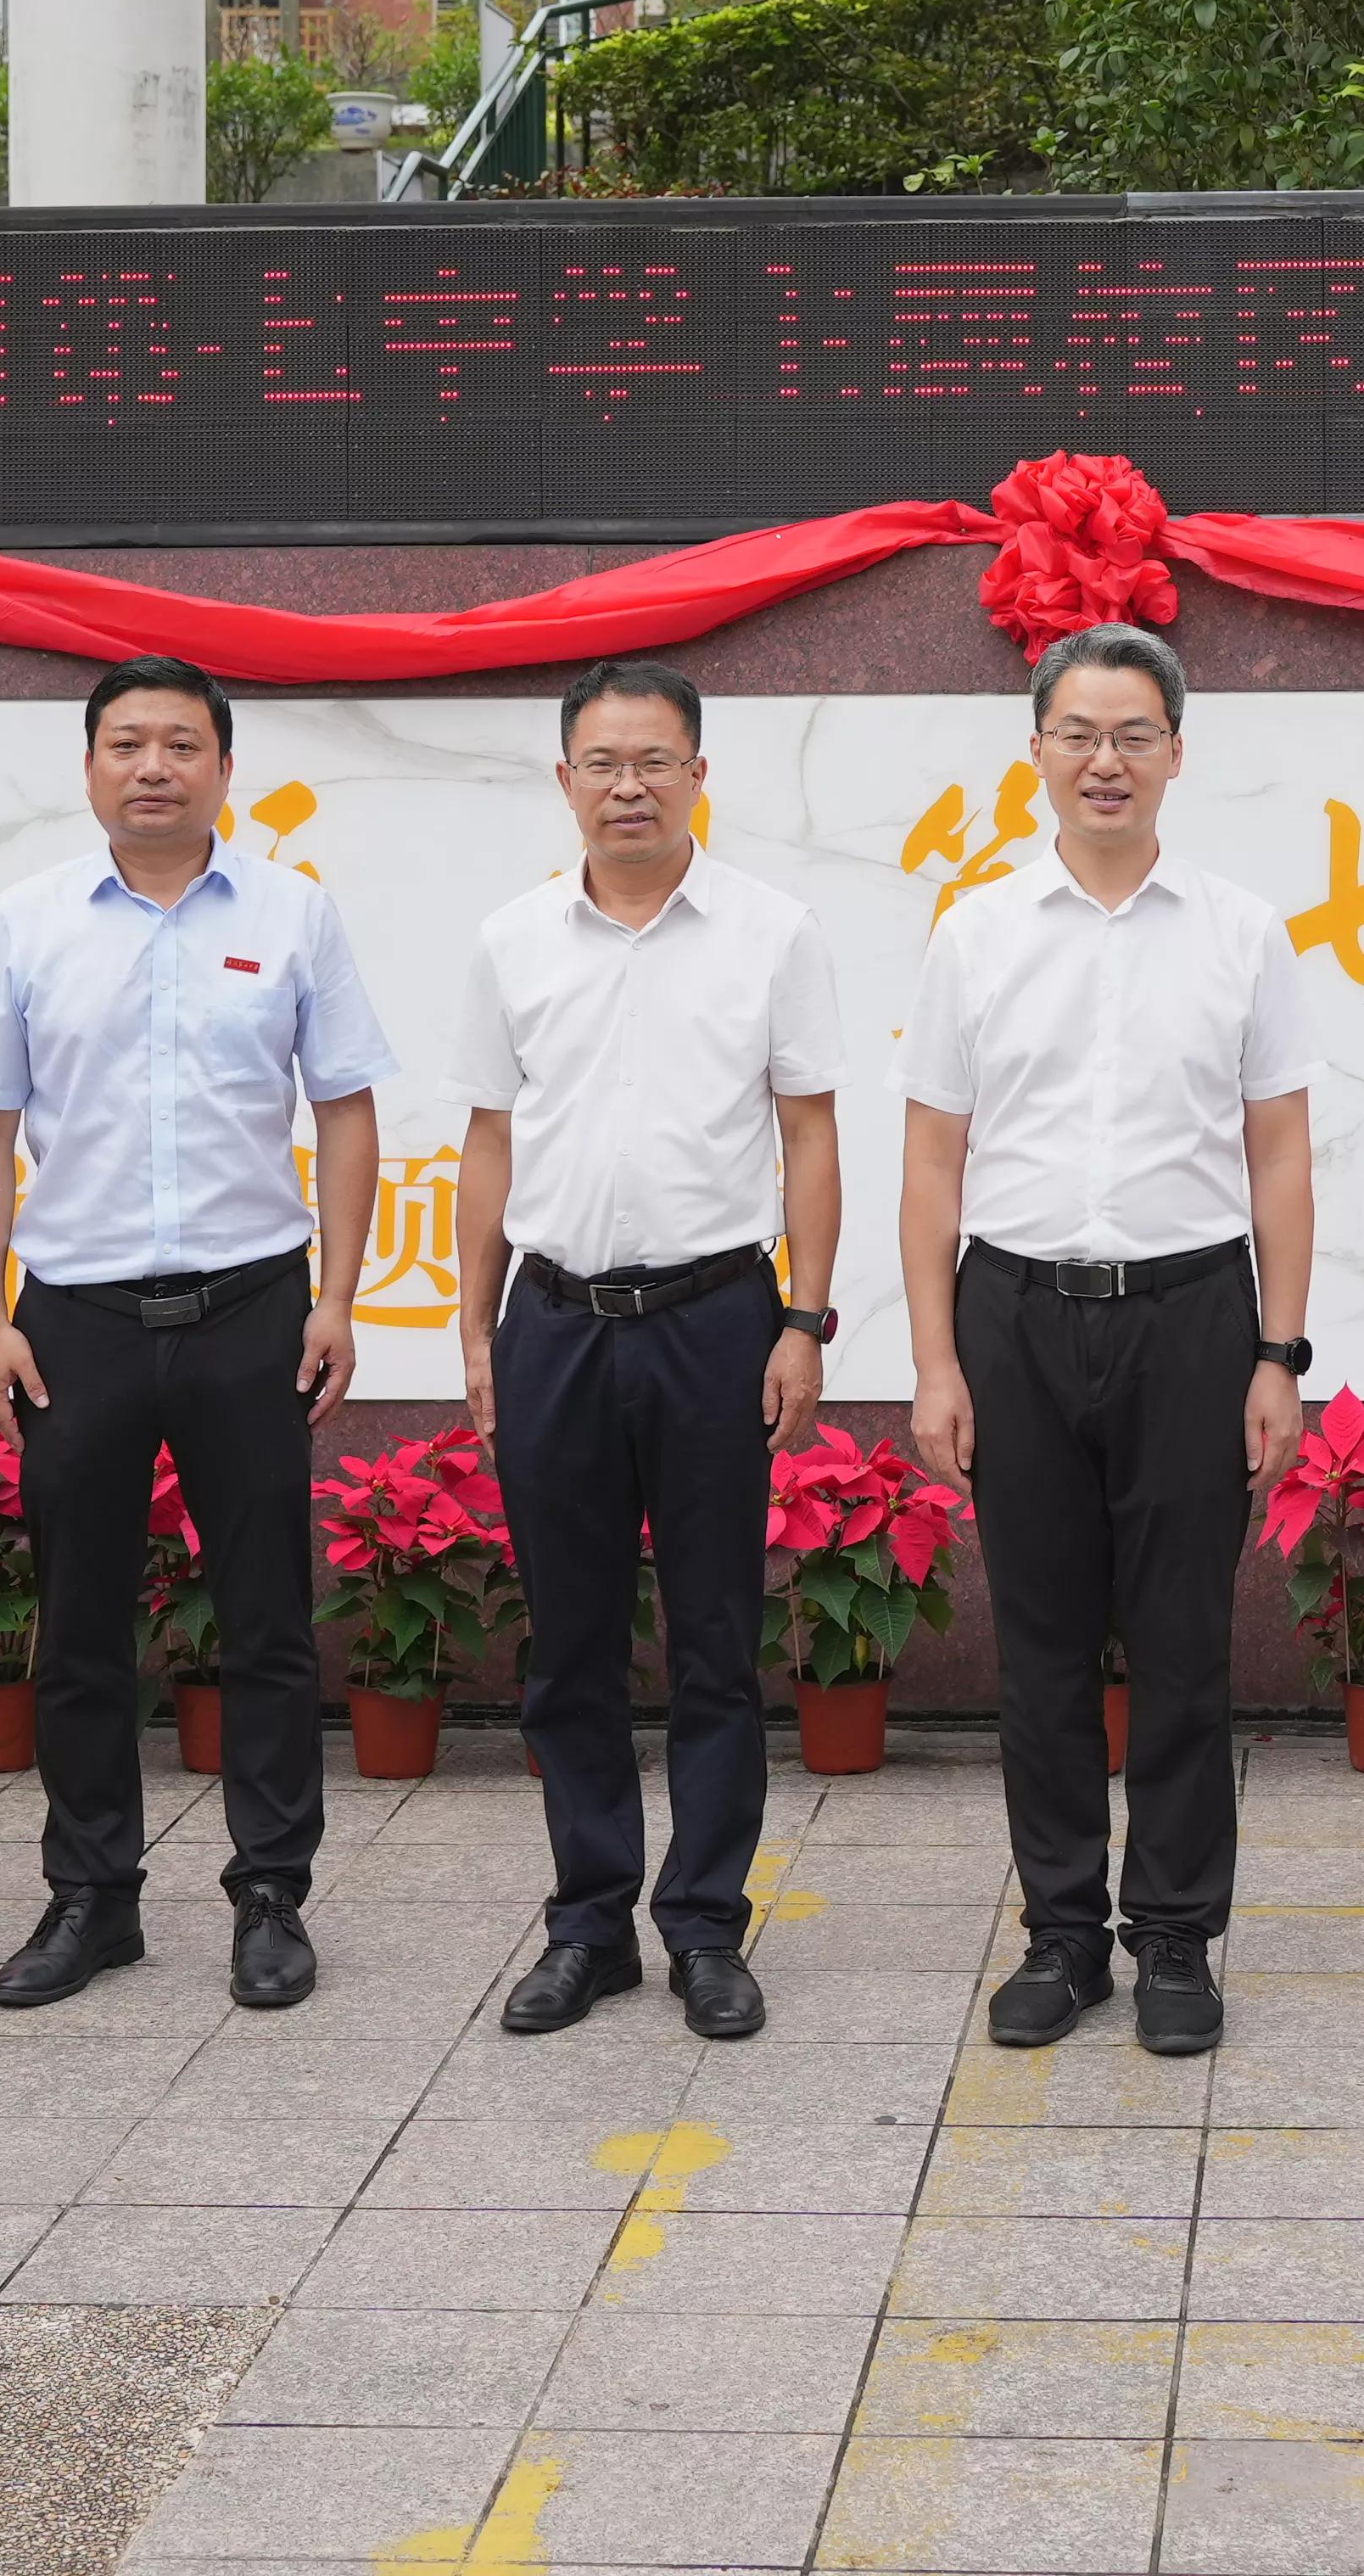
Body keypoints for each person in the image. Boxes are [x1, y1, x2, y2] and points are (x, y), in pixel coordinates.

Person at [0, 656, 394, 2018]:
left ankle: (271, 1895)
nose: (154, 766)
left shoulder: (293, 913)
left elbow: (348, 1108)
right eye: (127, 744)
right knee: (80, 1626)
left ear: (223, 766)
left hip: (251, 1308)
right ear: (89, 768)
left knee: (262, 1617)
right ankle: (93, 1897)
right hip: (71, 1319)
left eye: (181, 744)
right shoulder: (25, 923)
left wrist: (337, 1295)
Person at [902, 622, 1314, 2061]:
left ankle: (1179, 1940)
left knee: (1187, 1647)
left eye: (1134, 734)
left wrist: (1282, 1352)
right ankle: (1064, 1936)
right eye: (1077, 733)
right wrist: (937, 1362)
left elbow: (1280, 1155)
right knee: (1044, 1647)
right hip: (1014, 1313)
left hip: (1195, 1316)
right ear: (1037, 754)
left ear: (1177, 754)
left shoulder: (1242, 929)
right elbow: (935, 1163)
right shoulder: (977, 929)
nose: (1105, 760)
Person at [452, 659, 846, 2043]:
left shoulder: (771, 931)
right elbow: (490, 1140)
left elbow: (808, 1131)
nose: (630, 784)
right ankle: (587, 1925)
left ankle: (704, 1928)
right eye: (603, 762)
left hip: (717, 1322)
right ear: (564, 780)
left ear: (696, 775)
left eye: (656, 760)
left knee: (715, 1641)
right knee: (567, 1644)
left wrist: (804, 1317)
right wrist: (475, 1327)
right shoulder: (512, 940)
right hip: (553, 1321)